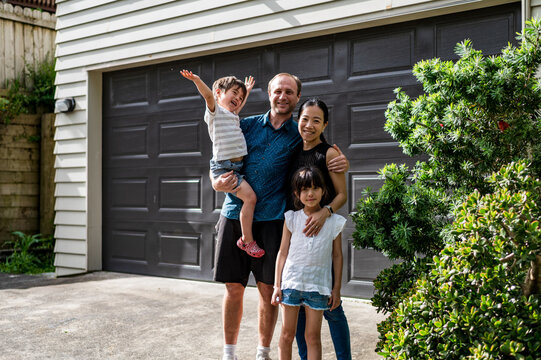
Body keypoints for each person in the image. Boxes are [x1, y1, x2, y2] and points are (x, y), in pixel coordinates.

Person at [211, 73, 348, 360]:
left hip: (273, 221)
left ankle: (263, 351)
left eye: (289, 92)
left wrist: (340, 157)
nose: (282, 96)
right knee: (233, 288)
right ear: (269, 94)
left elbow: (318, 145)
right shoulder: (244, 125)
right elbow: (219, 151)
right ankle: (229, 353)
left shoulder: (298, 134)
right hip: (235, 215)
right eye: (277, 91)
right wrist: (214, 182)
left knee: (268, 291)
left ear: (297, 98)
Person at [289, 98, 352, 360]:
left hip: (322, 234)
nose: (309, 125)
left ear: (325, 124)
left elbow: (342, 195)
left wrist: (325, 213)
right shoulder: (291, 151)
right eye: (305, 119)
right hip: (297, 235)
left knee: (331, 306)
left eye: (316, 120)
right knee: (300, 307)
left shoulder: (329, 154)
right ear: (298, 120)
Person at [180, 70, 264, 258]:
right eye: (234, 92)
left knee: (249, 199)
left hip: (235, 167)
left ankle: (246, 239)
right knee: (250, 199)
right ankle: (247, 241)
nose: (238, 98)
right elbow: (208, 95)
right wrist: (197, 80)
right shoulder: (215, 113)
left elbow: (237, 105)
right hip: (224, 168)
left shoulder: (232, 115)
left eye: (241, 97)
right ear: (219, 93)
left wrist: (246, 91)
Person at [271, 166, 346, 360]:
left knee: (313, 337)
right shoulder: (292, 218)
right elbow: (282, 252)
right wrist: (277, 285)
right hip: (291, 284)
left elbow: (337, 256)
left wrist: (336, 289)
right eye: (304, 189)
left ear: (323, 191)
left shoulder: (334, 222)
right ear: (297, 193)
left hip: (318, 286)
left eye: (315, 188)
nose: (310, 193)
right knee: (287, 335)